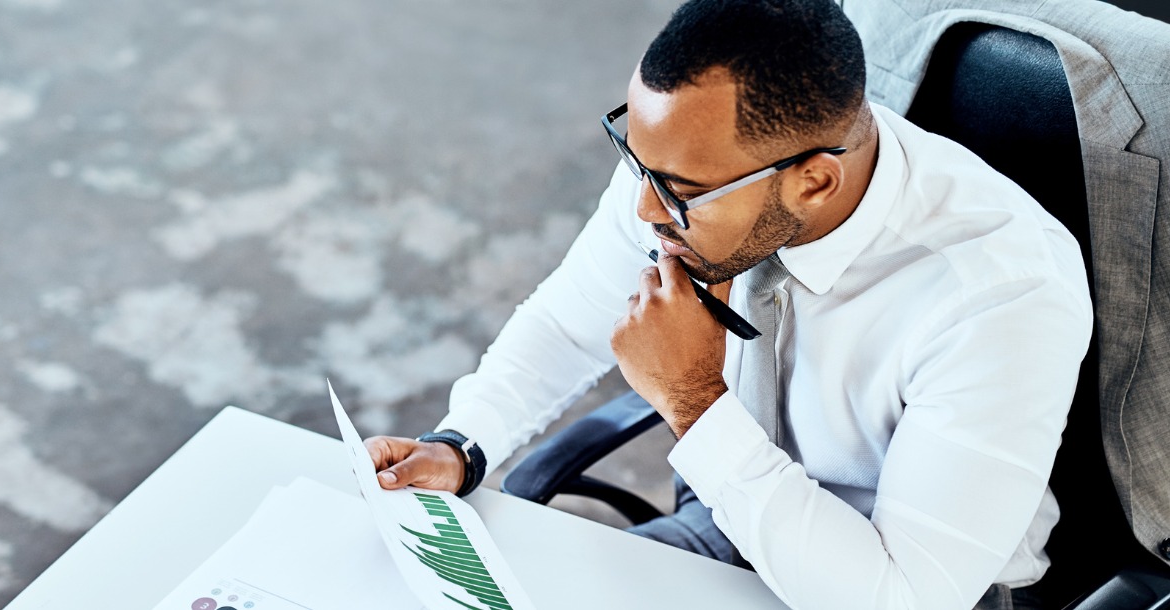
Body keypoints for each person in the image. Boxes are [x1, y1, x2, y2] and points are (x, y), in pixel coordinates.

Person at [363, 0, 1093, 608]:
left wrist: (693, 402)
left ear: (813, 183)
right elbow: (566, 319)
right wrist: (461, 443)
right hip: (726, 524)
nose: (645, 207)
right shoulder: (689, 167)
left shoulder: (1002, 298)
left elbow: (904, 594)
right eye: (637, 162)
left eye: (676, 191)